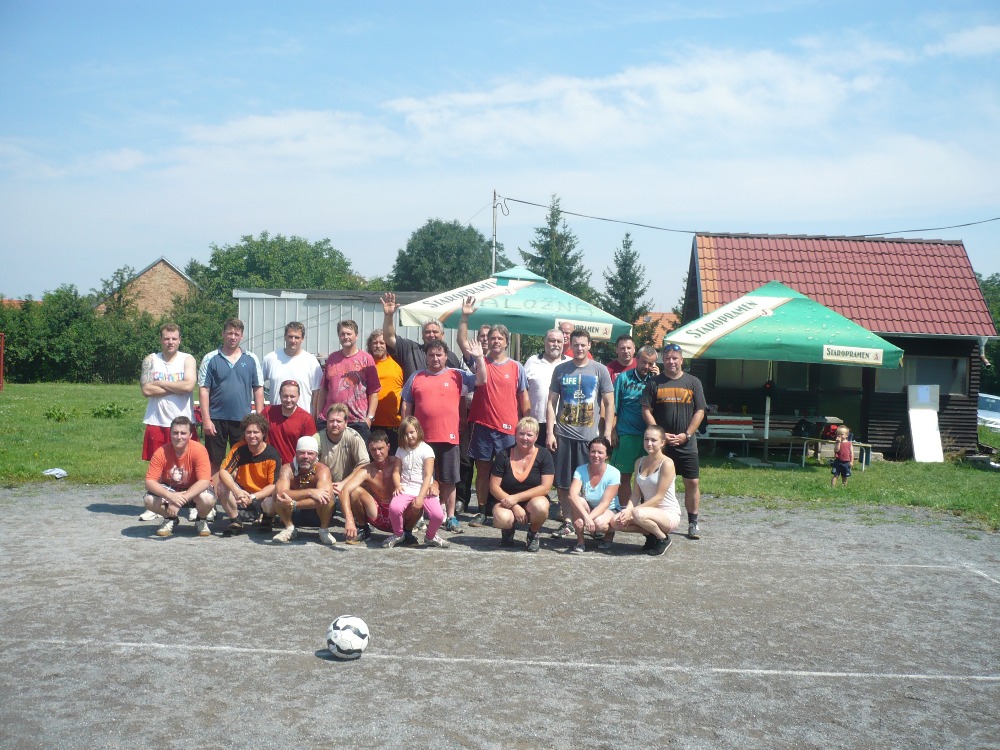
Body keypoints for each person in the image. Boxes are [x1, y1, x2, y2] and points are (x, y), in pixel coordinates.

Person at [457, 297, 530, 526]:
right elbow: (461, 341)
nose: (495, 341)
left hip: (508, 428)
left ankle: (506, 508)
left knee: (508, 471)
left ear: (506, 342)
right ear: (487, 341)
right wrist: (465, 317)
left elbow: (523, 397)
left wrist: (527, 422)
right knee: (483, 469)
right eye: (492, 338)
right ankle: (481, 510)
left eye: (500, 338)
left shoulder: (516, 367)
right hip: (482, 426)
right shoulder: (479, 362)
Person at [401, 339, 486, 533]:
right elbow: (407, 403)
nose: (435, 358)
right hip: (421, 441)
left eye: (439, 355)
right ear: (426, 357)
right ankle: (419, 517)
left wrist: (480, 358)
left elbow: (481, 380)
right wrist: (405, 429)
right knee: (421, 478)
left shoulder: (457, 375)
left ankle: (451, 517)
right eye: (431, 355)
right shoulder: (416, 377)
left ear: (446, 356)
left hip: (448, 437)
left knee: (449, 479)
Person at [546, 328, 615, 540]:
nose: (579, 348)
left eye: (583, 345)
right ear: (570, 345)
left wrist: (607, 433)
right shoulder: (561, 370)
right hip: (564, 434)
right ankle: (567, 521)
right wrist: (550, 432)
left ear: (589, 346)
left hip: (588, 438)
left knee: (589, 484)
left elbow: (609, 403)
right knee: (563, 483)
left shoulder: (600, 370)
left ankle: (590, 522)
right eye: (575, 345)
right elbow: (551, 402)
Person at [641, 343, 707, 540]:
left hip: (686, 443)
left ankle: (693, 522)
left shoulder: (693, 382)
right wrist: (659, 435)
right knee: (658, 484)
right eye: (668, 358)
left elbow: (700, 411)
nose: (671, 362)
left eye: (675, 358)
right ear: (663, 360)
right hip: (662, 445)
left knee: (692, 482)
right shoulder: (654, 382)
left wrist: (687, 434)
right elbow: (646, 410)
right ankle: (652, 522)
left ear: (681, 360)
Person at [139, 323, 198, 520]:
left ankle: (193, 504)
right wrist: (176, 386)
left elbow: (188, 386)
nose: (170, 342)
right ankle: (155, 503)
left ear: (179, 340)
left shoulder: (187, 359)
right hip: (157, 420)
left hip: (183, 422)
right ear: (161, 340)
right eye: (166, 338)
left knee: (189, 463)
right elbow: (146, 390)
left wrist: (160, 383)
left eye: (174, 338)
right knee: (157, 465)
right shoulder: (151, 360)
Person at [198, 318, 264, 473]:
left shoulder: (251, 359)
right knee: (214, 461)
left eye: (236, 334)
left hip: (243, 419)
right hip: (216, 419)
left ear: (241, 336)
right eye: (229, 333)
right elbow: (204, 390)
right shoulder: (210, 358)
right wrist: (206, 419)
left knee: (243, 460)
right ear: (223, 334)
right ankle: (214, 488)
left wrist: (259, 418)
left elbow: (258, 389)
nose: (232, 337)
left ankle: (239, 488)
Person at [338, 430, 421, 545]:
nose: (377, 453)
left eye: (380, 448)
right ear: (369, 450)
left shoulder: (400, 463)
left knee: (420, 500)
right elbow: (344, 491)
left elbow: (424, 477)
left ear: (388, 447)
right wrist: (349, 520)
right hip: (378, 515)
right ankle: (363, 529)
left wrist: (434, 485)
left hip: (400, 513)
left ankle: (407, 532)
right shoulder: (366, 470)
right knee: (355, 491)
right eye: (373, 449)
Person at [608, 425, 679, 556]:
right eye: (646, 439)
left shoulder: (667, 463)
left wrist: (632, 511)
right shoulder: (639, 462)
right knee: (616, 521)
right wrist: (627, 510)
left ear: (663, 443)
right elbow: (635, 494)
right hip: (646, 511)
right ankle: (650, 534)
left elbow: (659, 498)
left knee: (638, 513)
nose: (649, 443)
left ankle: (663, 539)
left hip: (667, 514)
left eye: (653, 440)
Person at [489, 417, 554, 552]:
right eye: (521, 433)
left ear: (536, 437)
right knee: (502, 518)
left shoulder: (544, 455)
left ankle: (533, 533)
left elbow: (546, 488)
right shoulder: (503, 455)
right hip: (506, 501)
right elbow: (494, 487)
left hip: (533, 501)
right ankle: (508, 531)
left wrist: (516, 498)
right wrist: (514, 505)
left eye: (529, 435)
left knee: (541, 506)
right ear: (515, 434)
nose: (525, 438)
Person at [143, 416, 214, 537]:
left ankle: (201, 520)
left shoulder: (199, 450)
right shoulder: (161, 452)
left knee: (207, 499)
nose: (179, 437)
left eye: (183, 433)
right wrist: (170, 496)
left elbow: (204, 481)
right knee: (148, 500)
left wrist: (179, 501)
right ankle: (170, 518)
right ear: (170, 434)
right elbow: (149, 482)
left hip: (194, 487)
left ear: (190, 435)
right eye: (175, 433)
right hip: (171, 487)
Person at [385, 416, 449, 549]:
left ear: (418, 431)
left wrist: (420, 497)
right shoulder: (401, 450)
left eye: (412, 432)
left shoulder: (427, 450)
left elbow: (428, 476)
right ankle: (399, 534)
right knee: (394, 508)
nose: (409, 436)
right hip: (406, 487)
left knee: (438, 515)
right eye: (406, 433)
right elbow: (396, 471)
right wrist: (398, 485)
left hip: (424, 489)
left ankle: (430, 536)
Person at [609, 345, 660, 507]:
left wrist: (658, 380)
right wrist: (612, 432)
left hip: (649, 436)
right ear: (636, 359)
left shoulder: (657, 380)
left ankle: (645, 510)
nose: (647, 366)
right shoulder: (624, 378)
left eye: (651, 363)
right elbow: (614, 407)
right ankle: (625, 510)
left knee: (648, 477)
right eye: (644, 362)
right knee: (623, 476)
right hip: (627, 434)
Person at [216, 413, 282, 536]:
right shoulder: (238, 448)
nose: (252, 436)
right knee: (221, 486)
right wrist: (237, 491)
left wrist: (253, 497)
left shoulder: (272, 455)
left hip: (261, 496)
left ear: (263, 433)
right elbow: (223, 471)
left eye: (256, 432)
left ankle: (267, 519)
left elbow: (273, 485)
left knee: (276, 493)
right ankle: (235, 520)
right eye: (248, 432)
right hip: (242, 493)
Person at [380, 292, 465, 383]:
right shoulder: (410, 350)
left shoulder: (451, 357)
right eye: (427, 332)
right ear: (422, 335)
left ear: (442, 335)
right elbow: (389, 338)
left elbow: (458, 383)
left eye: (435, 332)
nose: (431, 335)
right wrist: (388, 316)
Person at [318, 319, 380, 442]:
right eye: (342, 334)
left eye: (349, 334)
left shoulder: (366, 359)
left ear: (356, 335)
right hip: (331, 420)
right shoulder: (332, 358)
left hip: (357, 421)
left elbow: (374, 392)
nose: (345, 337)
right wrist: (319, 414)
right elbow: (324, 389)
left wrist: (369, 418)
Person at [268, 435, 335, 544]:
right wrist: (310, 492)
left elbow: (325, 498)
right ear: (296, 453)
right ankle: (289, 528)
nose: (305, 456)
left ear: (316, 455)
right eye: (302, 453)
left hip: (316, 514)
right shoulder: (287, 469)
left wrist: (294, 504)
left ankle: (324, 530)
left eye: (310, 453)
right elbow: (281, 493)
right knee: (276, 492)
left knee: (329, 497)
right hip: (293, 513)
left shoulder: (322, 470)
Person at [317, 402, 371, 531]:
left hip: (348, 483)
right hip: (325, 484)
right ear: (326, 422)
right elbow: (310, 464)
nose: (334, 424)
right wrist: (325, 485)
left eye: (339, 421)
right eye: (331, 421)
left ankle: (362, 522)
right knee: (312, 520)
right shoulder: (317, 438)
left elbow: (364, 463)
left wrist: (344, 483)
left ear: (346, 423)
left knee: (362, 483)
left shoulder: (354, 437)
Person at [564, 436, 620, 554]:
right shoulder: (580, 470)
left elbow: (605, 504)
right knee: (577, 501)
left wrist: (587, 519)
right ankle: (580, 541)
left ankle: (609, 534)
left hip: (609, 509)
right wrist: (586, 517)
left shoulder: (614, 473)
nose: (596, 455)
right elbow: (571, 495)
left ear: (607, 455)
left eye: (600, 452)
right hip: (589, 507)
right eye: (593, 451)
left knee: (599, 523)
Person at [261, 321, 323, 415]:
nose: (293, 340)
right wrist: (261, 411)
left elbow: (317, 394)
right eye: (290, 336)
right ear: (285, 337)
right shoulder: (270, 359)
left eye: (297, 337)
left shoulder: (311, 361)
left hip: (302, 419)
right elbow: (258, 385)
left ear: (302, 339)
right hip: (276, 418)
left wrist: (314, 419)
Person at [523, 329, 570, 447]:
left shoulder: (570, 364)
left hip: (562, 424)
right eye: (552, 341)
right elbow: (522, 391)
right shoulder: (532, 361)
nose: (556, 344)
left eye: (559, 341)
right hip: (536, 422)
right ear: (545, 342)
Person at [263, 380, 319, 464]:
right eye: (285, 396)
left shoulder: (306, 419)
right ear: (280, 395)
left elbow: (309, 448)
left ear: (298, 396)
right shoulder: (268, 412)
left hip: (293, 467)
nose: (288, 400)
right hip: (268, 464)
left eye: (292, 396)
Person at [367, 329, 403, 456]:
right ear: (370, 345)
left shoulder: (398, 364)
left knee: (393, 459)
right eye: (375, 342)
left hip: (393, 424)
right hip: (370, 423)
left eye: (382, 342)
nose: (378, 345)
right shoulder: (366, 364)